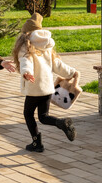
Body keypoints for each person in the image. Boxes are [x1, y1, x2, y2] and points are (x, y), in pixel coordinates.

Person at [12, 13, 79, 152]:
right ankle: (61, 123)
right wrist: (72, 72)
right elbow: (58, 65)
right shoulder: (46, 47)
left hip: (34, 89)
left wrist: (26, 73)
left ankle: (37, 143)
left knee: (28, 114)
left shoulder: (26, 46)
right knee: (43, 116)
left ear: (25, 33)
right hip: (48, 89)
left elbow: (26, 61)